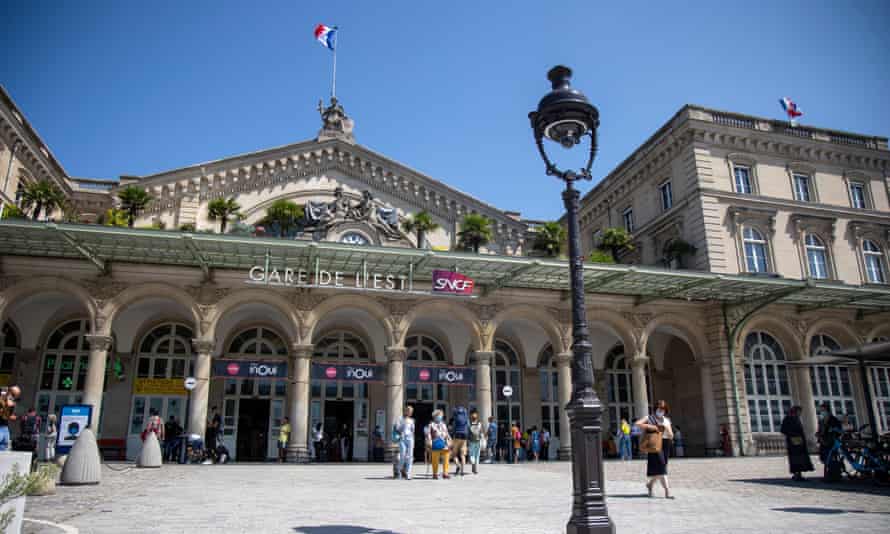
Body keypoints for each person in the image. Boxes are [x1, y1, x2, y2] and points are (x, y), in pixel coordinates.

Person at [636, 400, 674, 499]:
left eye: (663, 409)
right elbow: (638, 424)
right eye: (659, 409)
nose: (660, 411)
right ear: (655, 409)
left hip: (665, 444)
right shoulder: (649, 418)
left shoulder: (666, 420)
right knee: (662, 468)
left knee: (660, 469)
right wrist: (651, 426)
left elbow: (671, 436)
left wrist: (667, 429)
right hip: (655, 444)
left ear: (665, 410)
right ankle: (667, 492)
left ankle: (650, 485)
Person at [780, 405, 814, 481]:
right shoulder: (788, 418)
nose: (800, 413)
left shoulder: (797, 419)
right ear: (795, 411)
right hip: (793, 442)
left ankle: (798, 474)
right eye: (799, 411)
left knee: (801, 458)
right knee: (795, 458)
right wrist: (793, 435)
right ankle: (796, 474)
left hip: (799, 442)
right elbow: (783, 430)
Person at [427, 409, 452, 479]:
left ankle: (445, 473)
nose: (440, 417)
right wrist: (429, 441)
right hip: (435, 443)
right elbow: (428, 434)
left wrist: (450, 439)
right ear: (435, 416)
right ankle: (435, 473)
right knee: (435, 459)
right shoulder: (431, 425)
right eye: (439, 415)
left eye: (441, 415)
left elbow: (446, 433)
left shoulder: (443, 424)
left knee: (446, 457)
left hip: (444, 443)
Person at [395, 405, 416, 479]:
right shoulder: (400, 419)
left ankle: (408, 473)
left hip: (410, 438)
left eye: (411, 411)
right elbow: (397, 429)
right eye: (408, 411)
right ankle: (398, 470)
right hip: (402, 438)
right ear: (405, 411)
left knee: (410, 457)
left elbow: (413, 431)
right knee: (403, 455)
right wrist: (403, 424)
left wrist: (413, 440)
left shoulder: (412, 420)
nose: (410, 412)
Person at [0, 385, 21, 452]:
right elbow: (8, 404)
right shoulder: (3, 398)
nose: (14, 397)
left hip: (4, 427)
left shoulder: (11, 401)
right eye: (14, 395)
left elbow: (8, 415)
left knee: (4, 445)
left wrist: (15, 417)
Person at [451, 405, 469, 476]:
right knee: (463, 454)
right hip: (464, 436)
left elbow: (453, 428)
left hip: (457, 436)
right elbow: (468, 426)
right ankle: (462, 471)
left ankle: (458, 465)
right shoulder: (466, 417)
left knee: (454, 454)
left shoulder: (456, 417)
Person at [467, 409, 484, 474]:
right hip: (477, 440)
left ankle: (474, 467)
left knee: (472, 455)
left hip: (472, 441)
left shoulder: (469, 423)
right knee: (476, 455)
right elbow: (481, 432)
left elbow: (468, 432)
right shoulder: (479, 423)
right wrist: (482, 439)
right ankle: (475, 469)